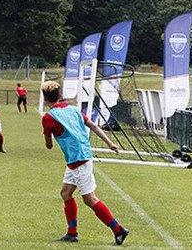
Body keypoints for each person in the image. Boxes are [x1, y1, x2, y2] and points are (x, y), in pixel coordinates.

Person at [41, 81, 129, 245]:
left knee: (90, 199)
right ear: (60, 96)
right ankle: (72, 233)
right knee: (66, 193)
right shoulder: (74, 109)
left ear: (45, 99)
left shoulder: (48, 118)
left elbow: (49, 145)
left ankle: (119, 230)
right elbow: (93, 125)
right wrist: (110, 143)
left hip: (78, 160)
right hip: (79, 158)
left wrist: (51, 137)